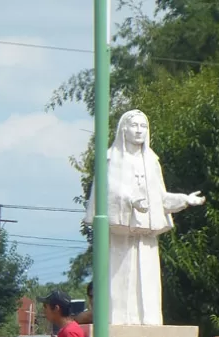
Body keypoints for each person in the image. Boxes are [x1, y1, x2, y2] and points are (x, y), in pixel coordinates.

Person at [83, 109, 205, 325]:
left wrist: (185, 200)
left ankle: (148, 322)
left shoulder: (151, 161)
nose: (139, 130)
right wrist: (131, 200)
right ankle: (118, 321)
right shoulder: (110, 158)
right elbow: (106, 191)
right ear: (124, 129)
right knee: (118, 282)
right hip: (119, 235)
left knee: (147, 283)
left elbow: (159, 198)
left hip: (146, 238)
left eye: (143, 126)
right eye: (134, 126)